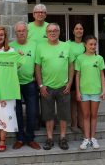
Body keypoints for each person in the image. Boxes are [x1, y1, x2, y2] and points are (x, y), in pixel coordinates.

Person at [35, 23, 74, 151]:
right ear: (46, 33)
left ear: (59, 32)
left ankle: (63, 138)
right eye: (50, 31)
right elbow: (37, 68)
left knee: (63, 115)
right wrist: (41, 85)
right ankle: (50, 138)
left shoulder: (66, 46)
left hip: (64, 87)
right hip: (47, 88)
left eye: (55, 30)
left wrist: (69, 83)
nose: (52, 33)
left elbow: (71, 66)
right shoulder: (40, 47)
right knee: (48, 114)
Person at [9, 21, 41, 150]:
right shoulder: (10, 47)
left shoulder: (35, 45)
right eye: (19, 31)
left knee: (32, 111)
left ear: (27, 32)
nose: (21, 33)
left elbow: (38, 64)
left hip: (30, 83)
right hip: (14, 84)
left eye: (23, 31)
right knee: (16, 112)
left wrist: (39, 82)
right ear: (15, 33)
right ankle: (20, 138)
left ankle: (30, 138)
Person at [76, 35, 105, 150]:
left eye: (94, 44)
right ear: (85, 45)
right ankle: (86, 139)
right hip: (84, 91)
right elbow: (77, 76)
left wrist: (104, 90)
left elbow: (102, 75)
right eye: (90, 44)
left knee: (94, 115)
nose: (93, 46)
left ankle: (93, 138)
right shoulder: (80, 58)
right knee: (86, 115)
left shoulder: (99, 58)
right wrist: (78, 91)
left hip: (96, 92)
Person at [66, 23, 85, 133]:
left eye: (81, 28)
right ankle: (73, 123)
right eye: (76, 28)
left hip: (84, 76)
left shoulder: (85, 44)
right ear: (73, 31)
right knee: (73, 101)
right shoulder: (68, 44)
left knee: (82, 100)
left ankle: (81, 123)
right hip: (72, 75)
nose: (79, 30)